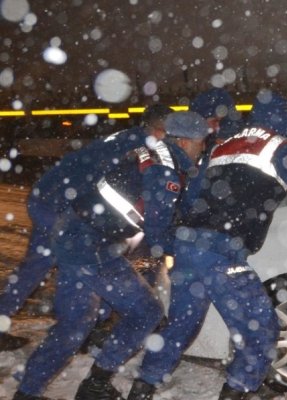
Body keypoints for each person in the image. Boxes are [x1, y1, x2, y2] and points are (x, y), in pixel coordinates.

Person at [126, 90, 287, 400]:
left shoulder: (223, 145)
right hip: (221, 252)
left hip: (188, 246)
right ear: (284, 121)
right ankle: (239, 390)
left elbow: (193, 195)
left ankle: (142, 388)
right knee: (260, 329)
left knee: (181, 326)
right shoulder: (277, 146)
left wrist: (184, 233)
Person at [12, 111, 209, 400]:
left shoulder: (146, 151)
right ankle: (96, 383)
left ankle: (27, 393)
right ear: (184, 141)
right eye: (201, 142)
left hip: (71, 234)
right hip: (92, 247)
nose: (203, 147)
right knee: (147, 312)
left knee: (75, 323)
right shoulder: (165, 172)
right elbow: (157, 235)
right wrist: (190, 247)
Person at [0, 104, 173, 352]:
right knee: (87, 262)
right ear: (159, 128)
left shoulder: (131, 138)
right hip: (58, 205)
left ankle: (83, 326)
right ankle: (81, 329)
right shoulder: (139, 148)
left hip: (49, 196)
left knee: (41, 266)